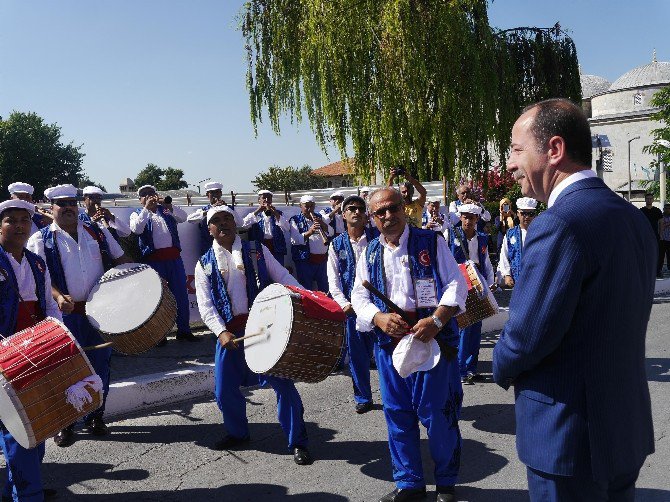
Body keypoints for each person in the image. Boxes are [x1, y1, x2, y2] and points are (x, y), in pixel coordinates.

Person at [493, 98, 656, 501]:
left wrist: (498, 362)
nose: (509, 165)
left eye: (516, 150)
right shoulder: (631, 217)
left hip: (569, 436)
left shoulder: (559, 224)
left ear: (554, 149)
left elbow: (526, 337)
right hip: (622, 428)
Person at [351, 187, 468, 502]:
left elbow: (457, 283)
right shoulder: (370, 252)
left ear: (404, 208)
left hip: (429, 339)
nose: (388, 217)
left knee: (438, 414)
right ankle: (410, 485)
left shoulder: (431, 241)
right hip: (390, 343)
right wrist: (378, 319)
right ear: (372, 218)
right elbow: (358, 297)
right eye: (380, 212)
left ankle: (445, 484)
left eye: (393, 209)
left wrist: (437, 321)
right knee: (397, 414)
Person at [194, 205, 312, 465]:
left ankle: (298, 441)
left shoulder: (257, 250)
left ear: (236, 224)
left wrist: (307, 297)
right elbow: (206, 306)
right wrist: (221, 331)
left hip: (263, 328)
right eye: (216, 220)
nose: (223, 223)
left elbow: (282, 275)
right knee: (224, 390)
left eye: (227, 218)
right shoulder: (203, 263)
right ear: (209, 229)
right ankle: (238, 433)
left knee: (283, 384)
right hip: (229, 333)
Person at [27, 184, 131, 447]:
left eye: (72, 203)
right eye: (62, 204)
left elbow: (121, 260)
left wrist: (142, 278)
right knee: (66, 369)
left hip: (99, 313)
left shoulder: (97, 232)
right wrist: (59, 296)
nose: (69, 208)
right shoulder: (40, 239)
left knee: (100, 365)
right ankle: (66, 424)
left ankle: (96, 416)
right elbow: (37, 277)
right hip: (64, 315)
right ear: (52, 209)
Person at [0, 199, 61, 502]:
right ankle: (28, 493)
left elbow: (49, 306)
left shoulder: (37, 262)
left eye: (25, 219)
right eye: (12, 220)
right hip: (5, 354)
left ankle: (24, 483)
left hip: (36, 347)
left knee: (38, 421)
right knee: (16, 429)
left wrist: (57, 340)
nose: (20, 225)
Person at [326, 195, 379, 414]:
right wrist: (343, 303)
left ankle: (395, 396)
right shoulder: (336, 244)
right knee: (357, 356)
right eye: (351, 209)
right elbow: (333, 278)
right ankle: (363, 397)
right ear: (343, 214)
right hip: (352, 309)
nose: (356, 212)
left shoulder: (378, 239)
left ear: (367, 215)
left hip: (378, 307)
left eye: (360, 208)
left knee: (384, 353)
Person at [130, 185, 198, 342]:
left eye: (151, 193)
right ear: (140, 200)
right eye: (144, 195)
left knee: (181, 294)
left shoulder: (166, 211)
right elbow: (136, 229)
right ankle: (160, 335)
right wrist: (147, 209)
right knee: (158, 298)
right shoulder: (138, 213)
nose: (149, 196)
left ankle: (184, 330)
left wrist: (169, 206)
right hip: (154, 261)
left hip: (174, 259)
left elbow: (183, 218)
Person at [445, 203, 495, 384]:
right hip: (459, 285)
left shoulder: (482, 238)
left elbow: (486, 261)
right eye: (465, 217)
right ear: (460, 217)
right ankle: (461, 369)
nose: (467, 221)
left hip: (477, 284)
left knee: (476, 328)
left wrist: (490, 283)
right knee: (464, 327)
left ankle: (471, 368)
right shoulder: (451, 234)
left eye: (471, 218)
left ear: (477, 220)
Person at [288, 195, 333, 292]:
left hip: (322, 260)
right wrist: (310, 232)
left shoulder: (320, 217)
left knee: (324, 288)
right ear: (300, 206)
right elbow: (294, 240)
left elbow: (331, 232)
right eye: (306, 206)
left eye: (312, 206)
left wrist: (322, 224)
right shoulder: (295, 220)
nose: (309, 209)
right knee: (306, 288)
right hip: (305, 261)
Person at [496, 197, 537, 288]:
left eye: (530, 214)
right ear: (518, 214)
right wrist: (507, 275)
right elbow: (504, 255)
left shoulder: (540, 232)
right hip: (516, 278)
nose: (527, 217)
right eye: (523, 213)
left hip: (536, 278)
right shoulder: (510, 234)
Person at [242, 190, 289, 265]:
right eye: (264, 198)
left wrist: (276, 213)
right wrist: (258, 211)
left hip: (276, 246)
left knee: (278, 270)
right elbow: (243, 225)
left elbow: (287, 228)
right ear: (259, 200)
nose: (266, 200)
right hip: (260, 247)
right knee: (262, 270)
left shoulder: (279, 213)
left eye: (269, 198)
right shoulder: (255, 214)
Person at [186, 181, 228, 256]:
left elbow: (240, 223)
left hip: (225, 248)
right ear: (207, 195)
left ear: (221, 194)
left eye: (217, 192)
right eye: (212, 193)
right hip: (208, 248)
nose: (215, 195)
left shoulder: (228, 208)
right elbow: (190, 219)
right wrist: (211, 210)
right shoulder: (204, 210)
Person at [640, 193, 664, 278]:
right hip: (644, 236)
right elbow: (638, 223)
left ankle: (657, 271)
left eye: (650, 198)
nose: (649, 200)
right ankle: (645, 271)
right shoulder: (641, 210)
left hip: (655, 235)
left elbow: (661, 223)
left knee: (656, 253)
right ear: (645, 200)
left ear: (653, 200)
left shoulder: (657, 210)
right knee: (644, 253)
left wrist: (661, 234)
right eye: (647, 198)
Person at [659, 203, 670, 276]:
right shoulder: (660, 217)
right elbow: (660, 227)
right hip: (662, 239)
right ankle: (659, 270)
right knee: (661, 256)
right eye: (665, 208)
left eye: (668, 208)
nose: (667, 210)